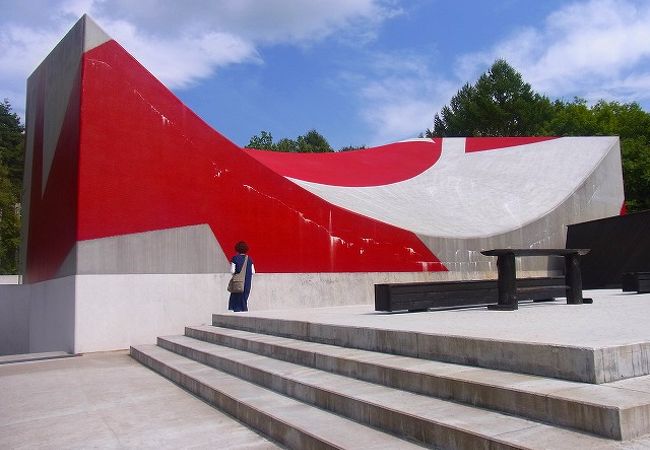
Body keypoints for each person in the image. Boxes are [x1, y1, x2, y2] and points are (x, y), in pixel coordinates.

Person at [228, 241, 255, 312]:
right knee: (244, 300)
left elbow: (232, 271)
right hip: (247, 283)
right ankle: (245, 314)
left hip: (238, 283)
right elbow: (253, 272)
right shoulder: (250, 259)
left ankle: (237, 315)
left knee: (236, 301)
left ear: (237, 249)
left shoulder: (235, 258)